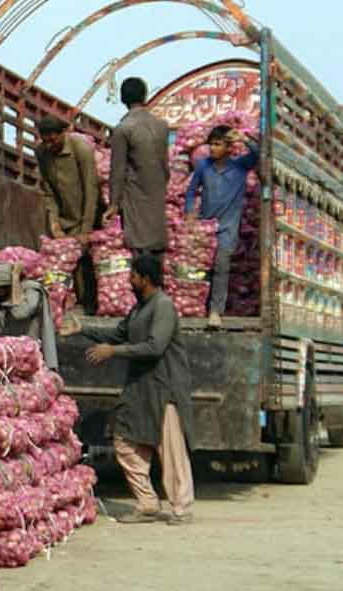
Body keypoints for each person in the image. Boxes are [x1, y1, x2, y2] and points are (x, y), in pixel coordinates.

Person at [61, 254, 195, 525]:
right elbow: (118, 334)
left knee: (170, 450)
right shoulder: (138, 309)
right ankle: (147, 504)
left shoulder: (163, 307)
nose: (129, 280)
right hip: (141, 388)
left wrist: (113, 352)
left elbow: (155, 347)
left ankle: (181, 508)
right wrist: (83, 329)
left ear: (145, 279)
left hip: (165, 389)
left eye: (133, 276)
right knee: (124, 441)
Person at [185, 126, 260, 328]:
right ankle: (198, 306)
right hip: (206, 228)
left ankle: (215, 311)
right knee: (202, 269)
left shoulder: (240, 166)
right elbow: (191, 191)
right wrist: (190, 211)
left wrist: (243, 138)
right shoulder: (204, 166)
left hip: (228, 228)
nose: (213, 148)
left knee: (221, 266)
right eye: (211, 144)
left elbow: (258, 154)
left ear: (228, 148)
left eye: (218, 144)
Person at [34, 115, 100, 315]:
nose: (50, 145)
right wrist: (54, 222)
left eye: (53, 140)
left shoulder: (81, 149)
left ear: (63, 133)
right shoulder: (42, 153)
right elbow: (48, 192)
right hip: (65, 217)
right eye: (45, 141)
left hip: (88, 214)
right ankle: (71, 304)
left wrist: (86, 229)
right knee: (66, 262)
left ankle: (90, 304)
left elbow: (91, 188)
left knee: (87, 261)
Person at [105, 77, 171, 258]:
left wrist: (113, 203)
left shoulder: (123, 129)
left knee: (139, 244)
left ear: (123, 99)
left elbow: (117, 171)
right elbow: (165, 164)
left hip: (135, 194)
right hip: (157, 192)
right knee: (156, 243)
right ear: (145, 96)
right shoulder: (162, 126)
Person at [0, 261, 58, 371]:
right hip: (3, 354)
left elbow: (19, 313)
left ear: (7, 285)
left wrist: (15, 277)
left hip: (28, 356)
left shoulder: (32, 290)